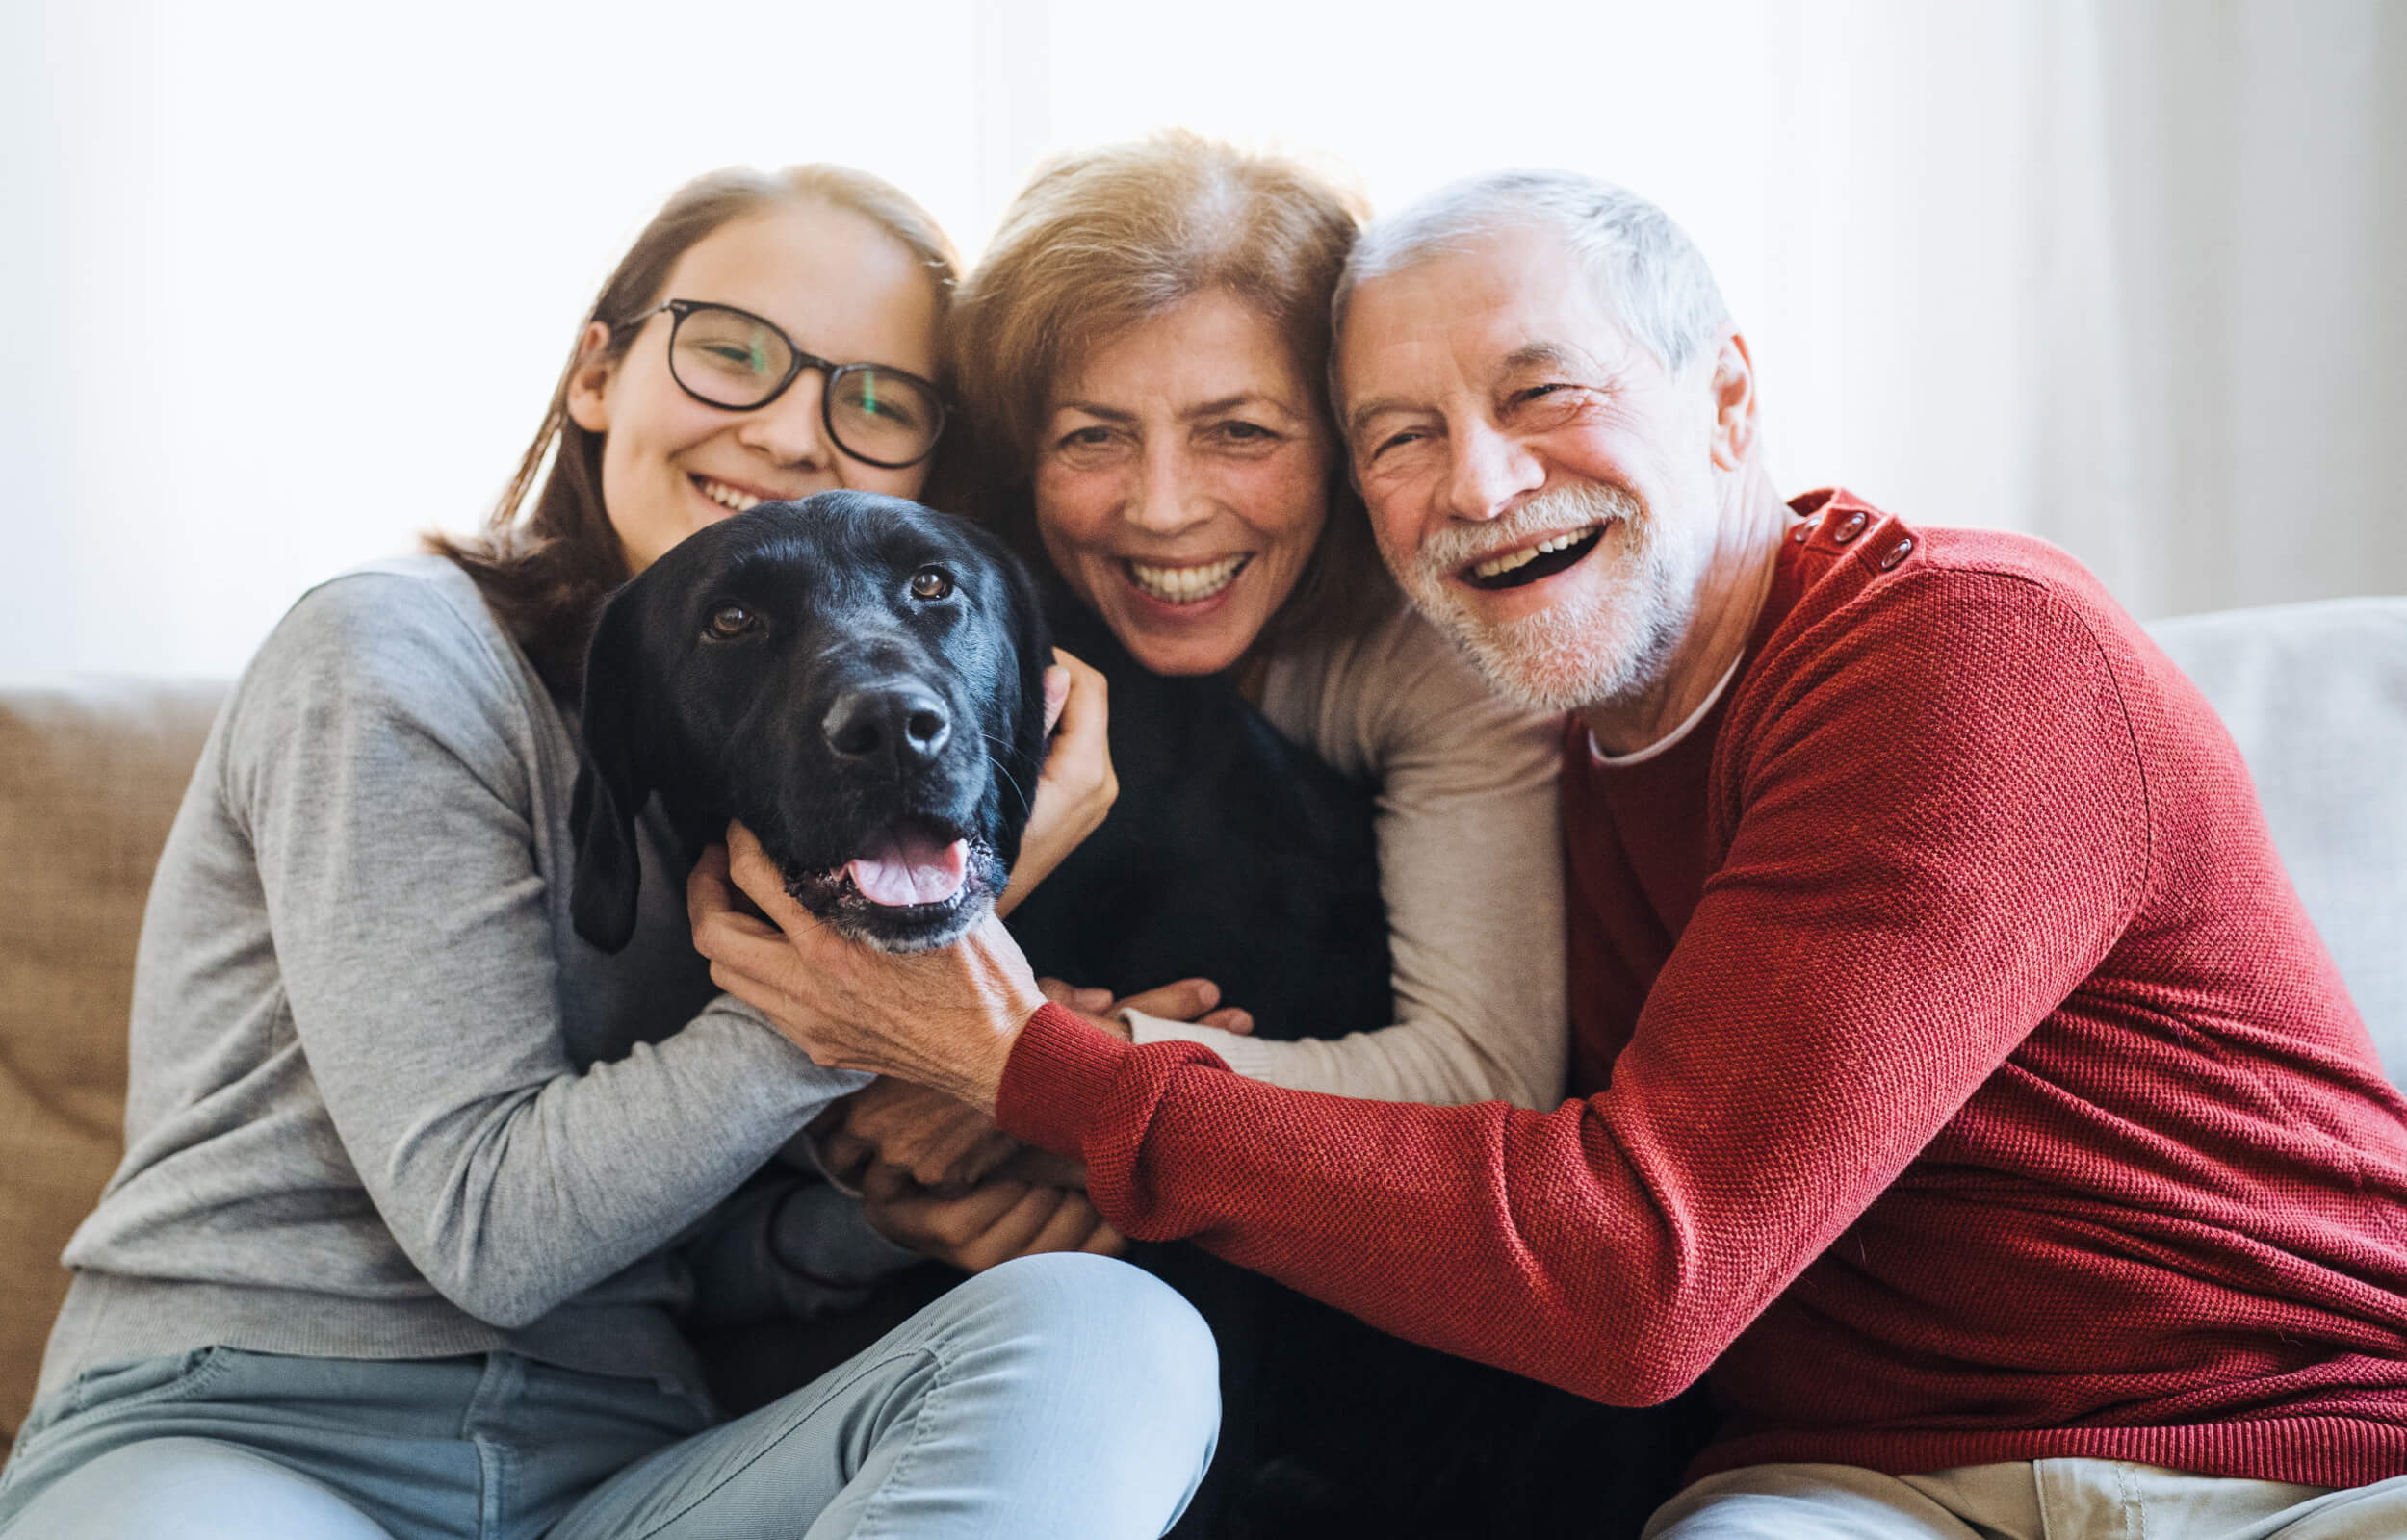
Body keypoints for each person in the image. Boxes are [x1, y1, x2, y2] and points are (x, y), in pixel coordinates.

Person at [691, 168, 2407, 1538]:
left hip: (2285, 1441)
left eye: (1544, 393)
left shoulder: (1965, 654)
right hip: (1846, 1478)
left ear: (1728, 398)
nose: (1484, 479)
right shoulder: (1521, 715)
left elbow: (1638, 1276)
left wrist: (1034, 1072)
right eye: (1402, 436)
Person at [0, 165, 1217, 1540]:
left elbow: (677, 1250)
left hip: (618, 1474)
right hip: (247, 1430)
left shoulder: (798, 757)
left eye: (873, 399)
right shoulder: (394, 653)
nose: (789, 430)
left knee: (1111, 1332)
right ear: (597, 373)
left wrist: (874, 1225)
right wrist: (919, 949)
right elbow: (492, 1234)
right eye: (733, 351)